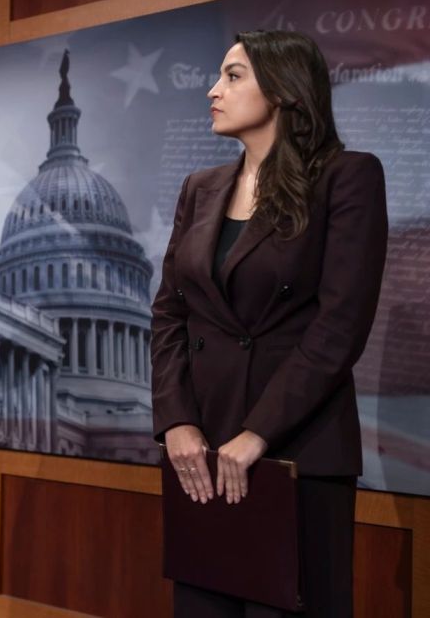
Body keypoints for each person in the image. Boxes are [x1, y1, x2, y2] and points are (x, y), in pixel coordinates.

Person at [151, 30, 387, 617]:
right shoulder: (199, 189)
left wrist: (257, 433)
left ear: (284, 90)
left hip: (296, 449)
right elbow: (170, 313)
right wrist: (176, 421)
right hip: (202, 453)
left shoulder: (348, 177)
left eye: (233, 76)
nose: (213, 90)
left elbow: (340, 326)